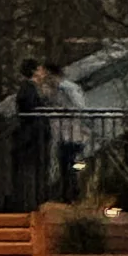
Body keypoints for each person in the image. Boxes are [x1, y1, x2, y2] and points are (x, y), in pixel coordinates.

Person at [41, 62, 89, 202]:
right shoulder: (55, 90)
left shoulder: (67, 88)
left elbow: (80, 106)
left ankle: (73, 193)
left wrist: (65, 111)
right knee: (65, 163)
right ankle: (68, 194)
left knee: (71, 163)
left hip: (73, 133)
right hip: (64, 133)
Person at [10, 58, 48, 208]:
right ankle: (33, 202)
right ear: (33, 71)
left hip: (31, 133)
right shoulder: (29, 89)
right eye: (39, 69)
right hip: (32, 135)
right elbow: (30, 108)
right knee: (33, 168)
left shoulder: (26, 88)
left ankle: (31, 201)